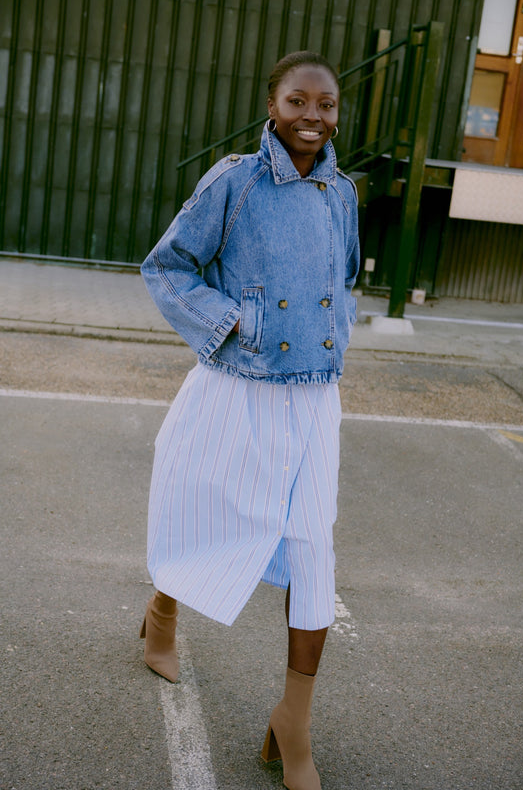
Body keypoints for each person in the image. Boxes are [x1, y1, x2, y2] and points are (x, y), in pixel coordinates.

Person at [139, 50, 360, 790]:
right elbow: (167, 267)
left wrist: (340, 336)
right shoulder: (233, 180)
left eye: (325, 105)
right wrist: (234, 323)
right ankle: (163, 612)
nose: (312, 117)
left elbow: (346, 280)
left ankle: (292, 720)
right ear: (272, 105)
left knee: (311, 551)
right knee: (203, 509)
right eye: (298, 101)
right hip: (239, 384)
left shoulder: (343, 194)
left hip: (315, 398)